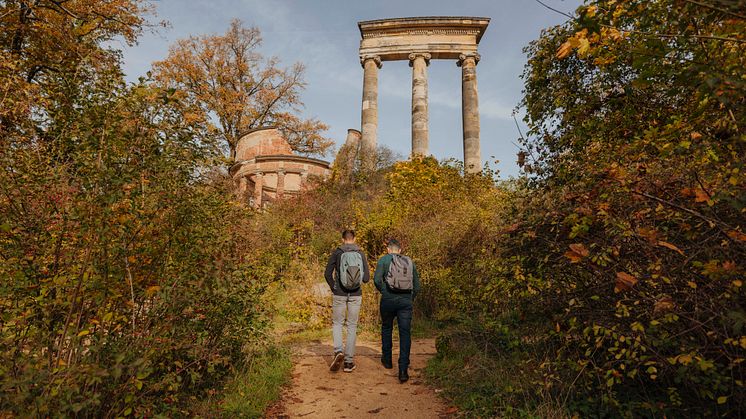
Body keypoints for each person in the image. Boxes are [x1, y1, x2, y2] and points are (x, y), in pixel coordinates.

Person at [373, 238, 420, 383]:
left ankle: (387, 360)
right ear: (399, 250)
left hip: (387, 300)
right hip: (405, 302)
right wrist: (409, 299)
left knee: (387, 328)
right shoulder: (409, 262)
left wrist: (385, 291)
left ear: (388, 249)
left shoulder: (383, 260)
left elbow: (376, 280)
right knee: (404, 333)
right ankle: (403, 370)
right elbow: (417, 285)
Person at [324, 229, 370, 372]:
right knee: (352, 326)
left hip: (339, 294)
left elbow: (327, 274)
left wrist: (334, 287)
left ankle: (338, 351)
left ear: (343, 239)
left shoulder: (337, 252)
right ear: (354, 238)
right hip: (356, 294)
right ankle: (349, 363)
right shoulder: (360, 253)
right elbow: (366, 278)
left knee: (337, 323)